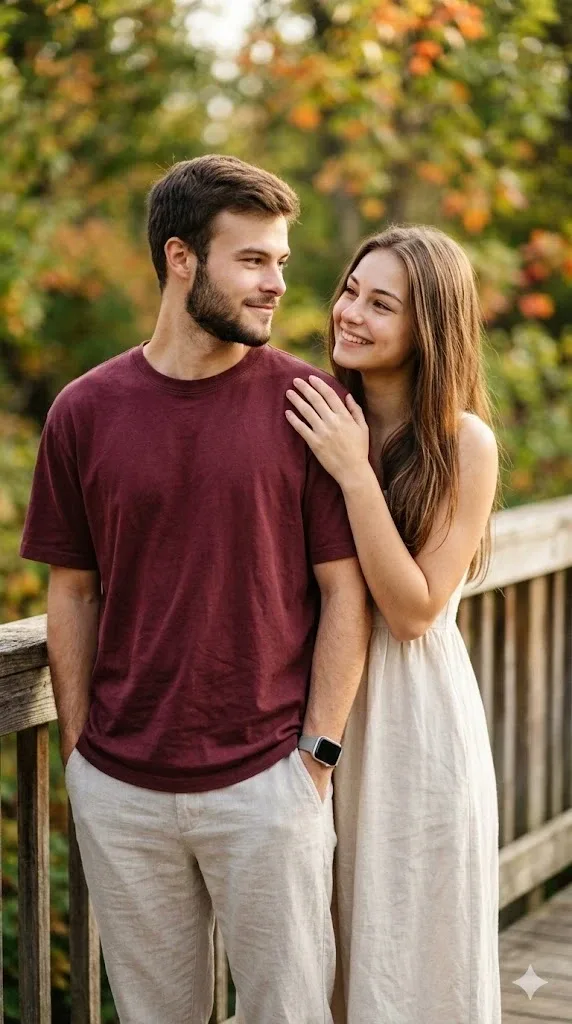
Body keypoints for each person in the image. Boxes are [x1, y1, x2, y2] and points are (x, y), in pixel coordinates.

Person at [20, 154, 370, 1024]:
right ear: (182, 259)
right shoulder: (83, 411)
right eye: (254, 260)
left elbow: (346, 594)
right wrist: (79, 756)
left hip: (267, 784)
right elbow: (73, 590)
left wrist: (316, 760)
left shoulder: (307, 403)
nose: (277, 284)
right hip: (121, 787)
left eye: (281, 262)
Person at [285, 224, 501, 1024]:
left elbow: (412, 611)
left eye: (382, 304)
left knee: (411, 936)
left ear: (429, 328)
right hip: (314, 704)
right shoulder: (308, 410)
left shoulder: (461, 443)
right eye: (350, 291)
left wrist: (352, 469)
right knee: (321, 943)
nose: (352, 314)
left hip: (413, 715)